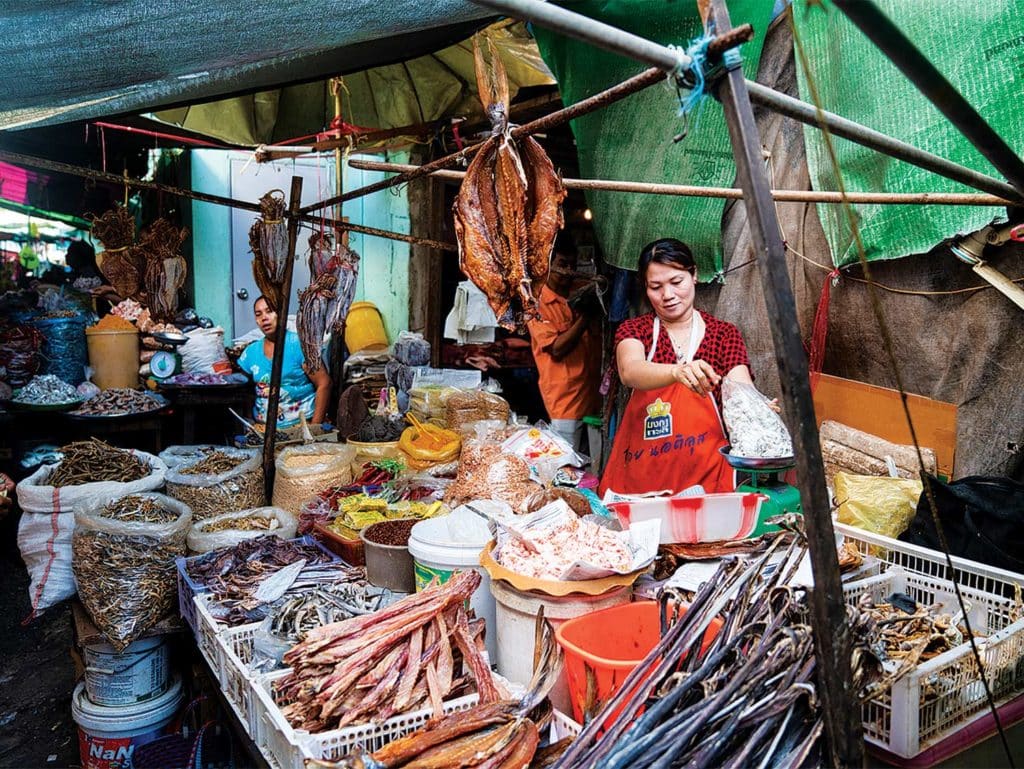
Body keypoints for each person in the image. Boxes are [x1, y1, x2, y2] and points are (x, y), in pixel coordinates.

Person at [599, 238, 756, 496]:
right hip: (641, 484)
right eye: (656, 287)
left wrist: (756, 407)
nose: (668, 295)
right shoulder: (635, 330)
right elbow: (630, 370)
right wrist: (675, 372)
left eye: (676, 282)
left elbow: (741, 391)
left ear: (693, 275)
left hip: (706, 485)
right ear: (645, 288)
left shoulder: (723, 335)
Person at [527, 234, 602, 452]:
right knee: (566, 462)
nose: (568, 271)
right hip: (565, 400)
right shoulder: (537, 305)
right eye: (562, 265)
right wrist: (585, 318)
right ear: (547, 266)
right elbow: (557, 349)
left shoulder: (580, 289)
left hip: (594, 395)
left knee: (594, 463)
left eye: (572, 265)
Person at [237, 295, 331, 427]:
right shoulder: (251, 353)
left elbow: (324, 383)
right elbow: (246, 391)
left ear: (280, 313)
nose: (264, 318)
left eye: (269, 311)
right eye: (258, 314)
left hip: (300, 426)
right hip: (263, 428)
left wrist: (315, 427)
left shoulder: (299, 345)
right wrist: (250, 423)